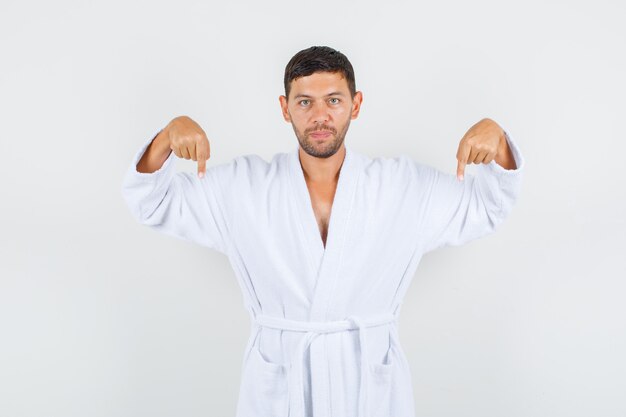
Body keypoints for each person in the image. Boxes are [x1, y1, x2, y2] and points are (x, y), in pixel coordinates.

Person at [121, 45, 524, 417]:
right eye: (304, 102)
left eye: (333, 100)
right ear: (285, 108)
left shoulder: (403, 187)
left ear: (356, 104)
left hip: (369, 386)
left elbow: (487, 206)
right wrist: (166, 138)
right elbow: (153, 202)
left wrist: (499, 140)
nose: (320, 116)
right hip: (280, 385)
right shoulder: (243, 188)